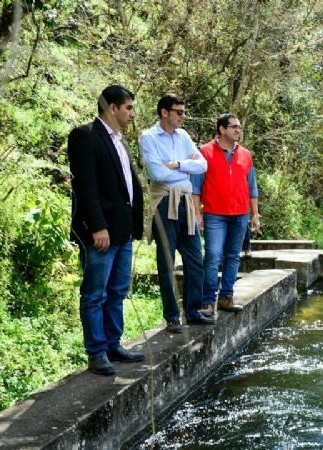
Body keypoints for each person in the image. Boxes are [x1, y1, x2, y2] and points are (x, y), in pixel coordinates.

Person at [68, 85, 145, 376]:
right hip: (100, 233)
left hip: (122, 232)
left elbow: (127, 188)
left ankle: (113, 344)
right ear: (112, 108)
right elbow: (85, 186)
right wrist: (97, 226)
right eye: (128, 108)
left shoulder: (120, 141)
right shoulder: (86, 136)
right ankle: (97, 351)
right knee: (94, 294)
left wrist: (136, 226)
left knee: (117, 291)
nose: (132, 114)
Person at [139, 94, 215, 333]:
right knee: (166, 261)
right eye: (179, 112)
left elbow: (202, 165)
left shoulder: (183, 136)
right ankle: (172, 316)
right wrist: (182, 167)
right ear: (164, 112)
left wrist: (178, 165)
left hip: (185, 201)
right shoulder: (148, 137)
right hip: (164, 202)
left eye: (184, 112)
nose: (183, 116)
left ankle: (192, 312)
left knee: (195, 258)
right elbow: (157, 173)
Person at [192, 113, 261, 317]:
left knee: (233, 257)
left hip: (240, 215)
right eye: (234, 127)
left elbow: (252, 187)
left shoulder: (246, 154)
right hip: (215, 214)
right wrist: (197, 213)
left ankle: (226, 297)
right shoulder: (204, 152)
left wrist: (255, 215)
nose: (238, 130)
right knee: (213, 256)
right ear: (222, 129)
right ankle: (207, 302)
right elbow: (195, 188)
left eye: (239, 127)